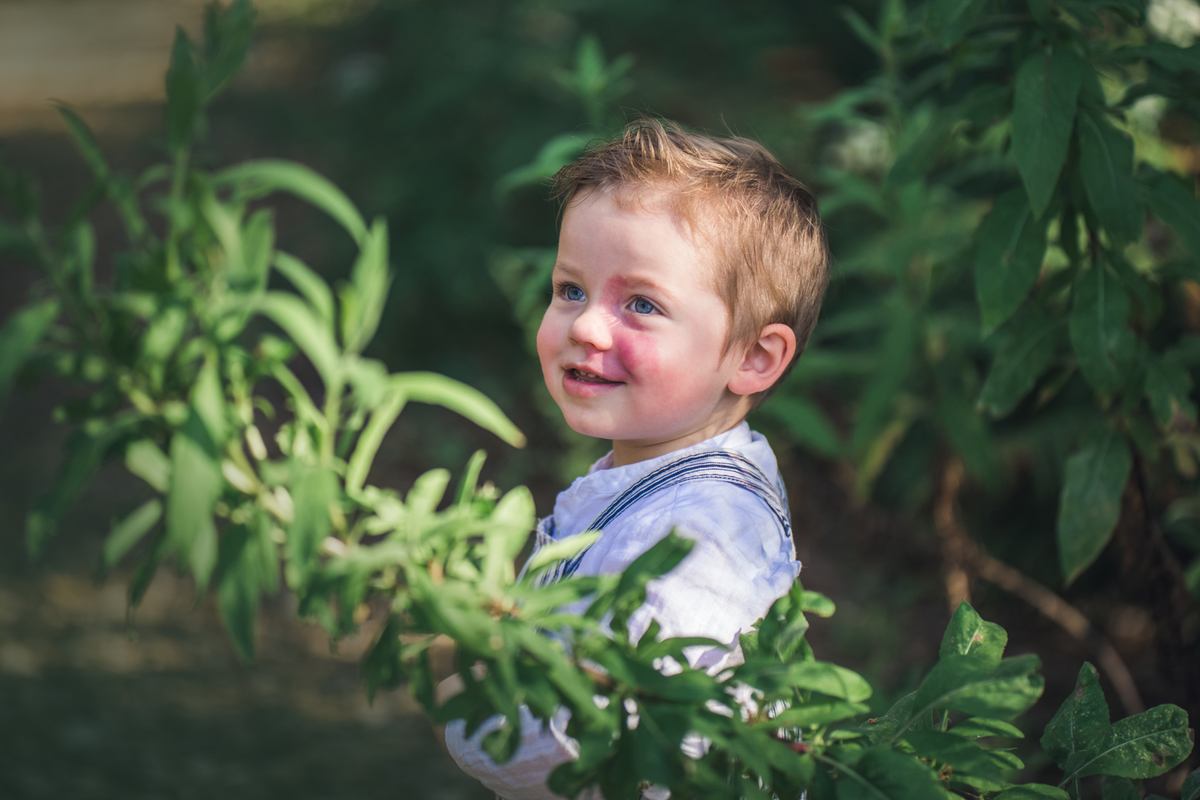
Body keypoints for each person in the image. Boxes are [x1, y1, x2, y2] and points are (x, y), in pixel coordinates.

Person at [440, 118, 830, 800]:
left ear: (753, 357)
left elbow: (575, 739)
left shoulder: (701, 531)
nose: (586, 326)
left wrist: (462, 682)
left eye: (642, 304)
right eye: (571, 290)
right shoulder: (659, 481)